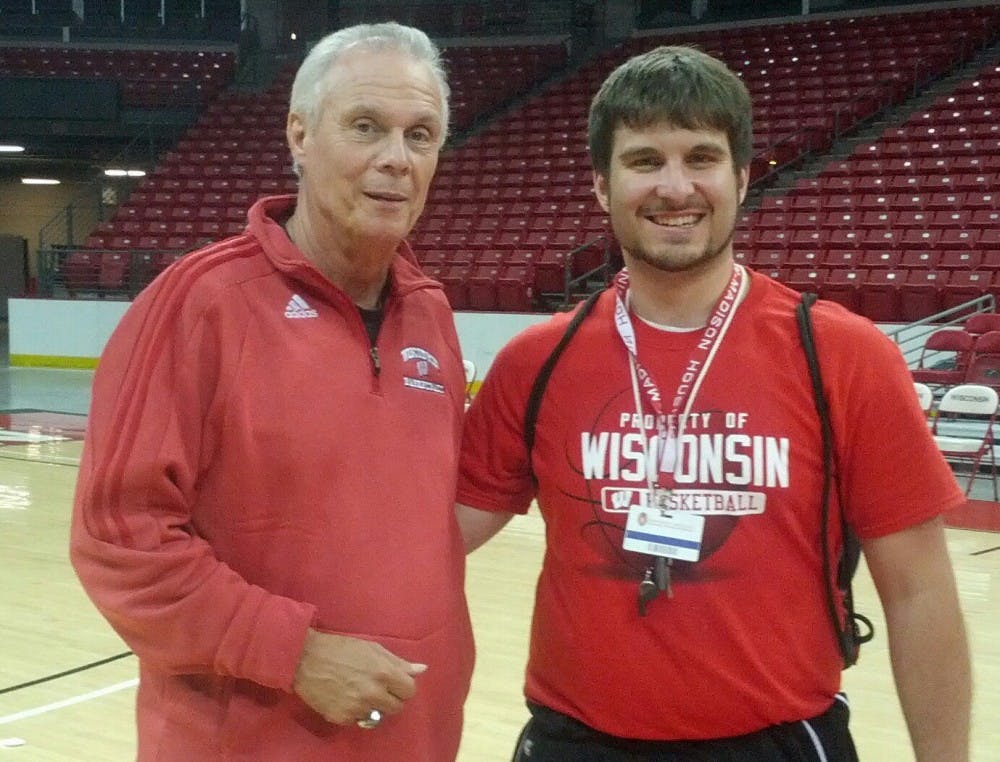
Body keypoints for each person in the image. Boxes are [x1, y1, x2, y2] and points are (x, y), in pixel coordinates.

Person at [456, 46, 971, 761]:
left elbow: (919, 595)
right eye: (644, 161)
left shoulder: (844, 355)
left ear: (742, 175)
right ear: (602, 186)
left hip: (778, 741)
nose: (675, 187)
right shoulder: (534, 362)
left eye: (701, 157)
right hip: (575, 740)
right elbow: (437, 535)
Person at [71, 22, 474, 761]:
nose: (396, 158)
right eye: (365, 127)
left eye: (421, 135)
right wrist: (295, 652)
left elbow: (421, 522)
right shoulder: (200, 303)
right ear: (299, 135)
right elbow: (119, 540)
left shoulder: (431, 313)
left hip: (412, 740)